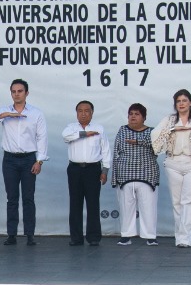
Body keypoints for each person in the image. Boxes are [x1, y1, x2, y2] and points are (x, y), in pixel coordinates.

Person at [0, 79, 47, 245]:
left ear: (27, 93)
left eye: (20, 91)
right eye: (14, 91)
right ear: (11, 93)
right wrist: (5, 115)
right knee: (12, 198)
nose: (17, 94)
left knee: (28, 197)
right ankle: (11, 234)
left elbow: (42, 138)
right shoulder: (5, 111)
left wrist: (39, 161)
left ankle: (30, 234)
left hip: (28, 159)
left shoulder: (36, 113)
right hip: (10, 159)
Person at [151, 89, 191, 248]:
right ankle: (180, 237)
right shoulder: (169, 120)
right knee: (177, 201)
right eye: (178, 101)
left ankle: (187, 238)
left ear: (190, 102)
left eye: (184, 100)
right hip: (173, 163)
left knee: (190, 200)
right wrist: (173, 129)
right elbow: (155, 138)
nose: (181, 104)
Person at [62, 100, 110, 246]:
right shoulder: (70, 128)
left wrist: (105, 170)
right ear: (76, 113)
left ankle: (94, 237)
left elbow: (105, 150)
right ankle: (76, 238)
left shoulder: (99, 128)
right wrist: (84, 134)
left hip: (92, 169)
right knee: (75, 203)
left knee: (93, 203)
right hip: (75, 169)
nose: (83, 114)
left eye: (86, 111)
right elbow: (65, 137)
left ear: (92, 113)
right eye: (80, 111)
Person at [111, 104, 160, 246]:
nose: (133, 116)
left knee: (149, 207)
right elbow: (116, 153)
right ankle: (126, 235)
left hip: (147, 174)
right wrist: (114, 178)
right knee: (126, 207)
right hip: (125, 175)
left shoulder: (152, 132)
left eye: (137, 114)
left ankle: (150, 236)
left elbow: (158, 148)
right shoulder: (122, 130)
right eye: (130, 114)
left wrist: (139, 142)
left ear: (144, 117)